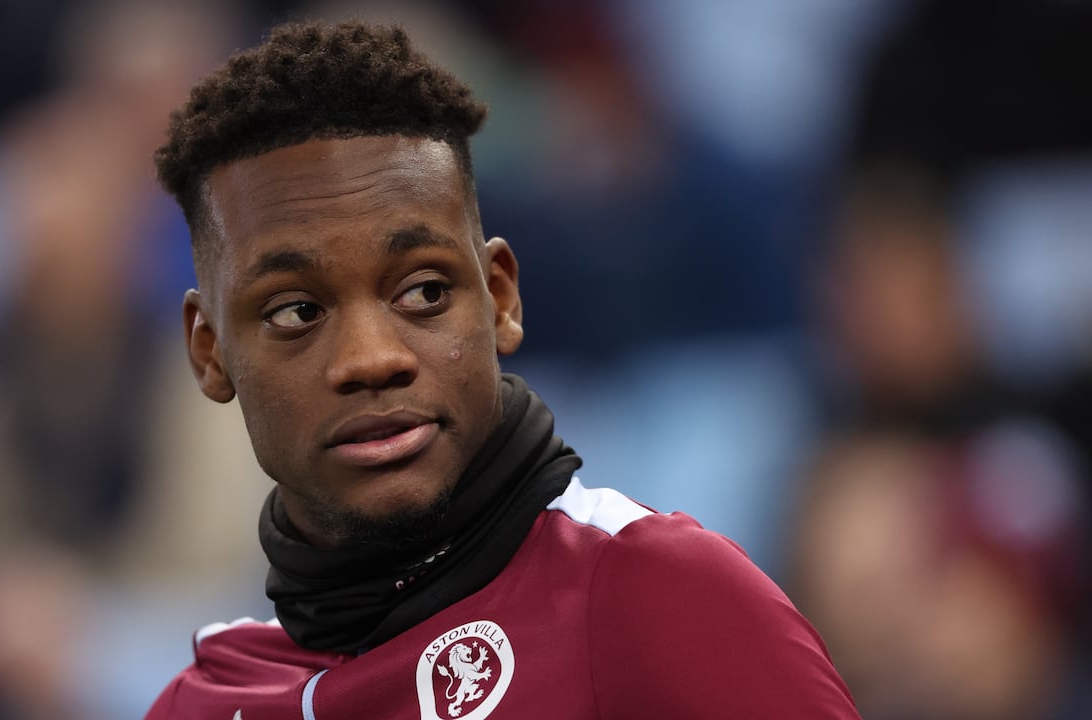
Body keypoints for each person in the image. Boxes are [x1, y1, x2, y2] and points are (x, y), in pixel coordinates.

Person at [145, 20, 859, 719]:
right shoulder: (202, 699)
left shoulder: (652, 591)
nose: (371, 360)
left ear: (500, 298)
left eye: (424, 292)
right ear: (210, 352)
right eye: (296, 311)